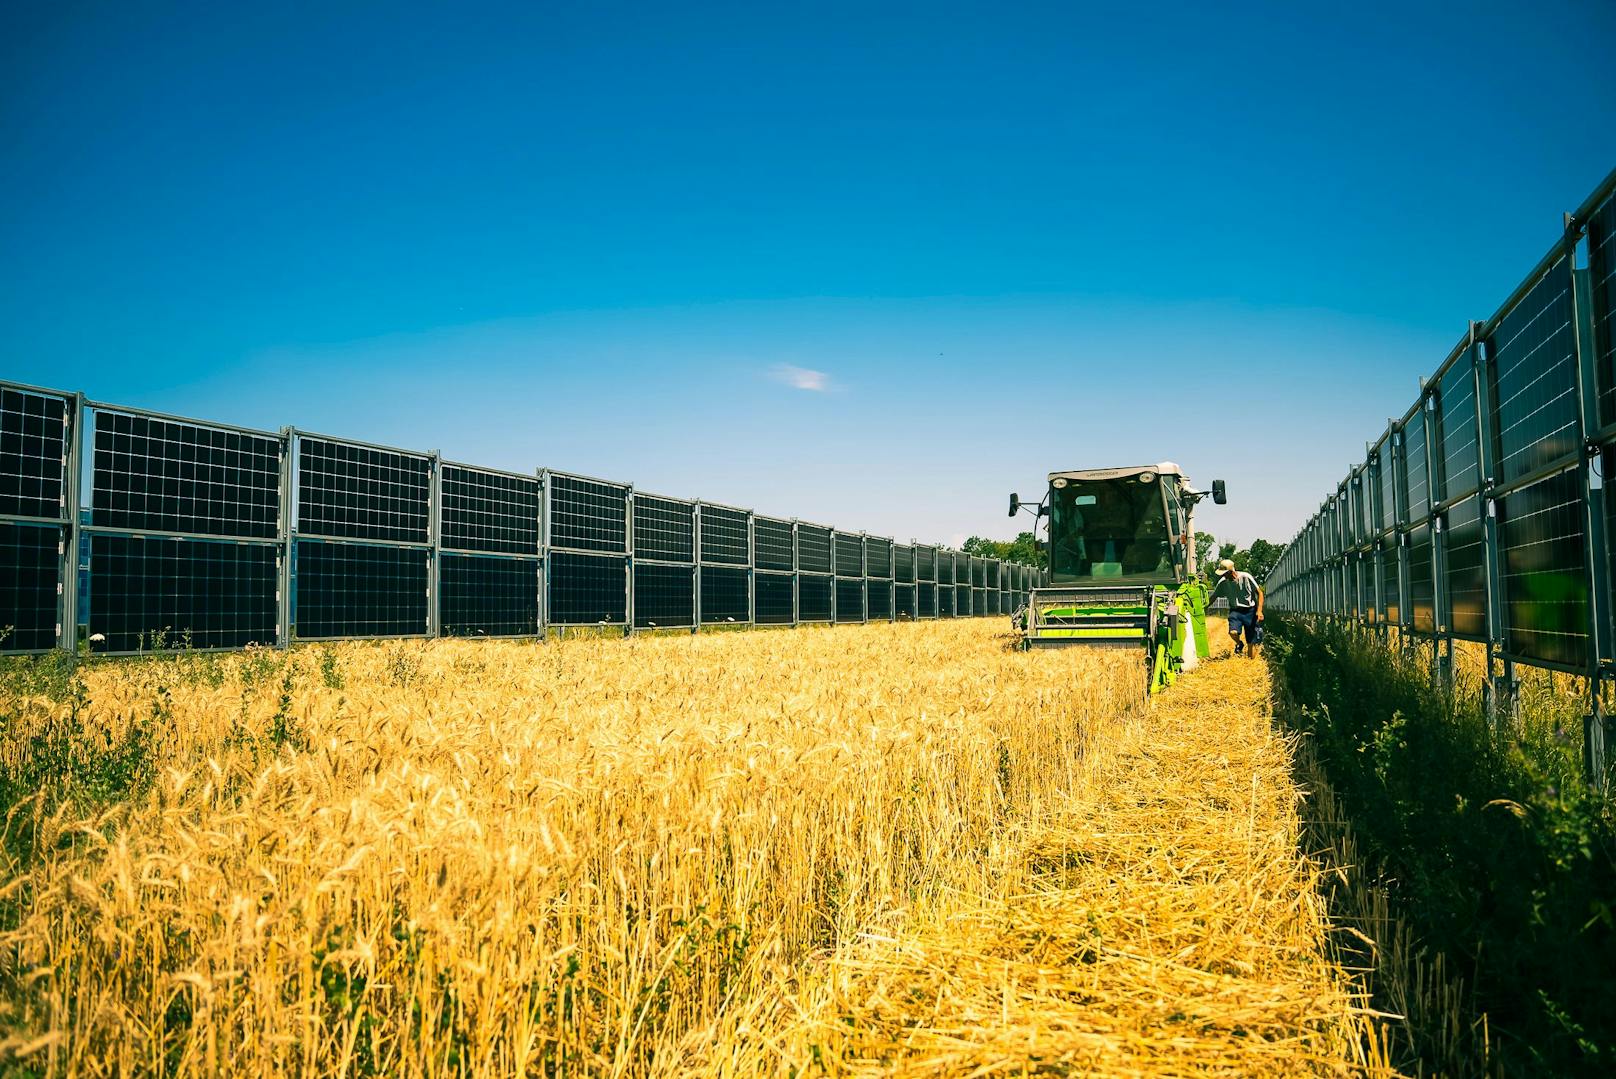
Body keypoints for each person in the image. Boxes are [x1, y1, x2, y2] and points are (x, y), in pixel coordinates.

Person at [1208, 558, 1264, 657]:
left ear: (1231, 571)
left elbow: (1260, 593)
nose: (1223, 576)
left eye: (1225, 573)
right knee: (1233, 632)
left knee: (1251, 643)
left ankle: (1249, 664)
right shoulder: (1222, 582)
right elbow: (1214, 597)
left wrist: (1259, 611)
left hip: (1250, 611)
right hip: (1236, 611)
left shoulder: (1246, 577)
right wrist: (1205, 607)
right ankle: (1239, 643)